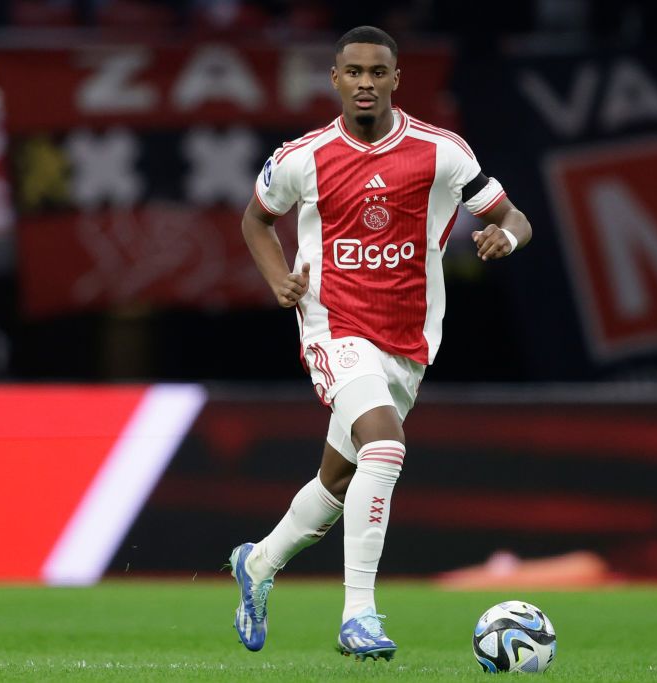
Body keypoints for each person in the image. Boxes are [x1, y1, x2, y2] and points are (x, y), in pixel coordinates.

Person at [233, 25, 531, 661]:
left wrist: (507, 237)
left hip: (410, 341)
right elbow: (256, 219)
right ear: (336, 80)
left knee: (339, 481)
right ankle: (359, 615)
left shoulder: (441, 152)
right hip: (332, 324)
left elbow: (512, 215)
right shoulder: (301, 157)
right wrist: (279, 278)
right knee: (386, 443)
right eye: (354, 72)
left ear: (396, 79)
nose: (365, 82)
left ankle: (257, 565)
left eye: (377, 72)